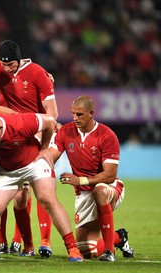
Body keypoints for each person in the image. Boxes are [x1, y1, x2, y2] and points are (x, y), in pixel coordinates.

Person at [0, 111, 83, 262]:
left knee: (47, 199)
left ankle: (73, 248)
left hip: (34, 163)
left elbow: (49, 121)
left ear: (0, 128)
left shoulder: (19, 123)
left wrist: (44, 148)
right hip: (6, 171)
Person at [0, 40, 57, 257]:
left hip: (35, 132)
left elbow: (51, 113)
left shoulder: (37, 73)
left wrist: (41, 135)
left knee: (36, 193)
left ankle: (41, 242)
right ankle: (3, 241)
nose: (8, 70)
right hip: (8, 136)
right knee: (1, 190)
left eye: (12, 65)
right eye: (4, 66)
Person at [49, 96, 135, 261]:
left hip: (109, 186)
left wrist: (80, 180)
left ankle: (109, 251)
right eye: (73, 114)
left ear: (91, 114)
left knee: (99, 191)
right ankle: (119, 237)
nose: (75, 118)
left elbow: (110, 174)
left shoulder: (107, 135)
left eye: (79, 114)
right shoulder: (66, 131)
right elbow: (51, 157)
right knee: (88, 251)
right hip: (83, 193)